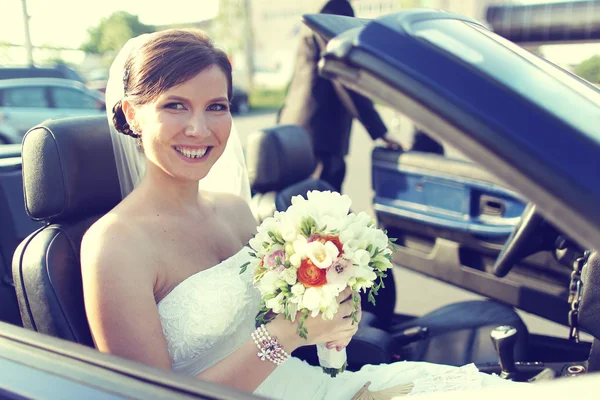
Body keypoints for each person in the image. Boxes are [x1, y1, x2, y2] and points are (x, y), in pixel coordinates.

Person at [80, 29, 519, 400]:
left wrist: (332, 310)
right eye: (175, 105)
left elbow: (287, 318)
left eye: (217, 106)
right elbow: (153, 396)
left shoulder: (233, 210)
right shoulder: (114, 246)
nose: (200, 128)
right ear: (132, 115)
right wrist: (286, 335)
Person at [277, 0, 402, 194]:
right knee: (321, 208)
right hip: (320, 137)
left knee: (304, 203)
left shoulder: (316, 13)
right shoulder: (335, 12)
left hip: (298, 130)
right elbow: (345, 77)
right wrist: (380, 131)